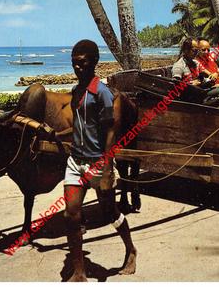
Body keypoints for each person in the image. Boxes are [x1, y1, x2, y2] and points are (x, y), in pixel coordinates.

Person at [63, 39, 137, 281]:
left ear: (94, 62)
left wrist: (106, 167)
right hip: (76, 162)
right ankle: (79, 271)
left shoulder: (102, 92)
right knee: (71, 215)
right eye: (74, 64)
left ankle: (130, 249)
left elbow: (110, 131)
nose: (77, 68)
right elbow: (79, 125)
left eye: (82, 64)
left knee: (110, 212)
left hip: (98, 162)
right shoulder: (75, 92)